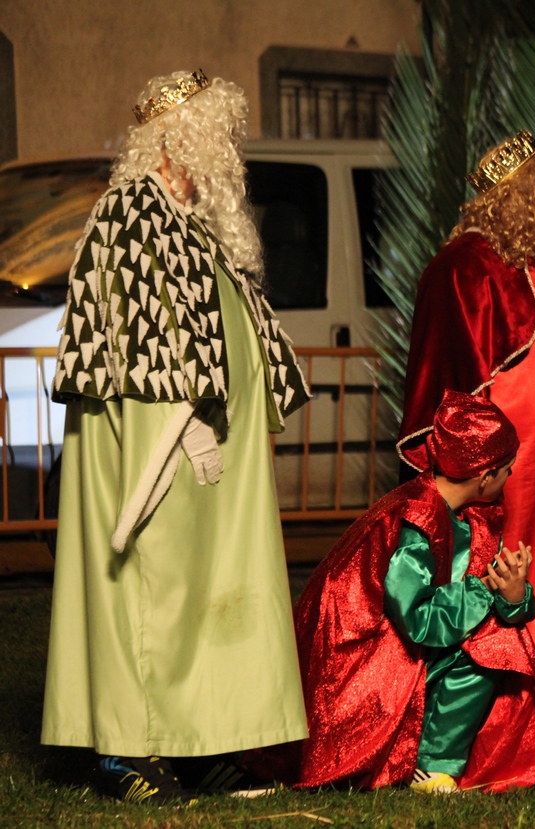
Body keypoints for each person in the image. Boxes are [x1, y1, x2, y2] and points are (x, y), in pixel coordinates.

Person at [43, 70, 311, 804]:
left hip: (206, 448)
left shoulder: (194, 225)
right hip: (152, 443)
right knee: (147, 591)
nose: (229, 147)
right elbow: (131, 338)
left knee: (201, 592)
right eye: (217, 130)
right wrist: (182, 423)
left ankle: (196, 740)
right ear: (176, 136)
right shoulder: (130, 213)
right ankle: (129, 750)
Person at [396, 131, 535, 763]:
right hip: (509, 467)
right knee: (506, 582)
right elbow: (447, 384)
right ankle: (501, 734)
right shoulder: (464, 265)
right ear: (531, 196)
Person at [293, 391, 535, 793]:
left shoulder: (469, 515)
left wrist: (512, 594)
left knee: (501, 634)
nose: (509, 480)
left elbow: (487, 597)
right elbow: (419, 620)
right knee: (493, 641)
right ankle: (429, 765)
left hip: (405, 656)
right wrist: (484, 592)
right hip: (357, 673)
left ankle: (432, 759)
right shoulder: (415, 520)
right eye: (508, 471)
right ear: (485, 475)